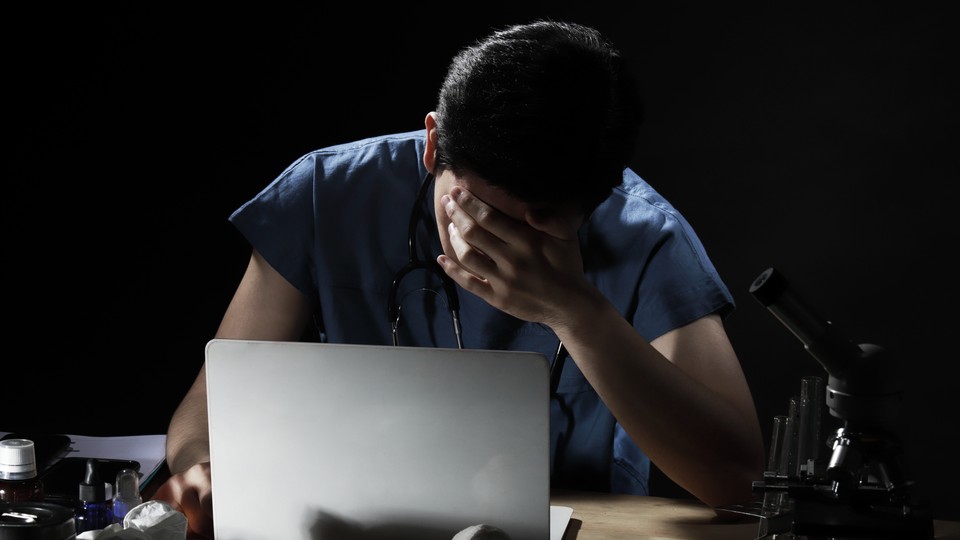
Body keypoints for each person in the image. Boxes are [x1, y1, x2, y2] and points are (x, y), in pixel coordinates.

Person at [152, 19, 766, 538]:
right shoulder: (327, 194)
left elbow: (737, 479)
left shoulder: (646, 232)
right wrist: (203, 464)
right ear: (432, 144)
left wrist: (576, 312)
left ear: (600, 195)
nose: (511, 244)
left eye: (545, 221)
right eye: (481, 212)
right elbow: (211, 403)